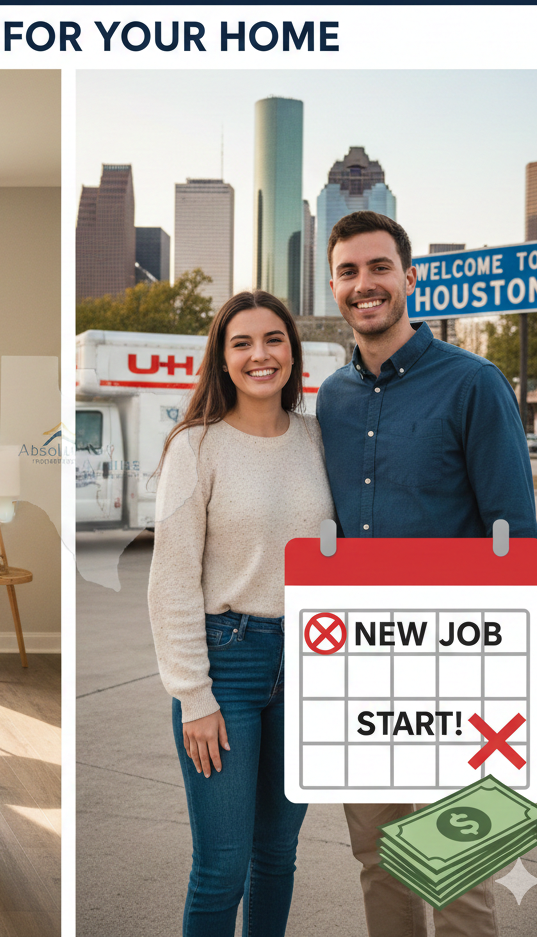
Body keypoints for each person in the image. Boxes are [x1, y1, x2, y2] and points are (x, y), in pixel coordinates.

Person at [316, 210, 537, 937]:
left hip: (456, 670)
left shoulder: (474, 384)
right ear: (333, 287)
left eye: (379, 267)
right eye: (349, 271)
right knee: (379, 862)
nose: (365, 284)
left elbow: (519, 543)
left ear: (410, 279)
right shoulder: (332, 400)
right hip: (358, 670)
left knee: (459, 875)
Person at [147, 290, 334, 937]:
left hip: (313, 660)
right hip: (227, 664)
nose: (261, 354)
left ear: (293, 351)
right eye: (243, 343)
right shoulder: (195, 448)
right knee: (221, 868)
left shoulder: (316, 438)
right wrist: (192, 693)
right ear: (222, 360)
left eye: (274, 340)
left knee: (277, 858)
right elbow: (170, 579)